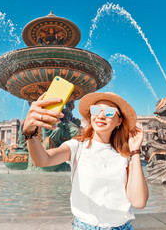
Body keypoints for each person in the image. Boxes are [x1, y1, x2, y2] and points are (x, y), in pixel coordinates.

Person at [22, 92, 148, 229]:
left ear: (119, 121)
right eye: (95, 110)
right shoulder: (77, 146)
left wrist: (135, 151)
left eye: (110, 112)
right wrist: (30, 132)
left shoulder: (126, 154)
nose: (100, 115)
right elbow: (43, 161)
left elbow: (139, 202)